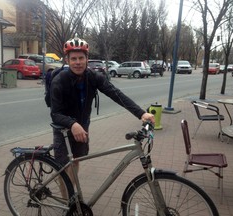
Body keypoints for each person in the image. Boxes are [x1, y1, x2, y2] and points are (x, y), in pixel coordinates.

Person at [50, 35, 155, 184]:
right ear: (67, 60)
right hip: (63, 129)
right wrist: (72, 124)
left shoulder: (93, 77)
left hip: (83, 125)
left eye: (81, 58)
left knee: (76, 161)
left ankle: (73, 195)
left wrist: (141, 113)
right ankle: (67, 202)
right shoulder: (59, 81)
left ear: (87, 59)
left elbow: (116, 94)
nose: (78, 62)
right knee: (63, 168)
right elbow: (55, 114)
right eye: (74, 59)